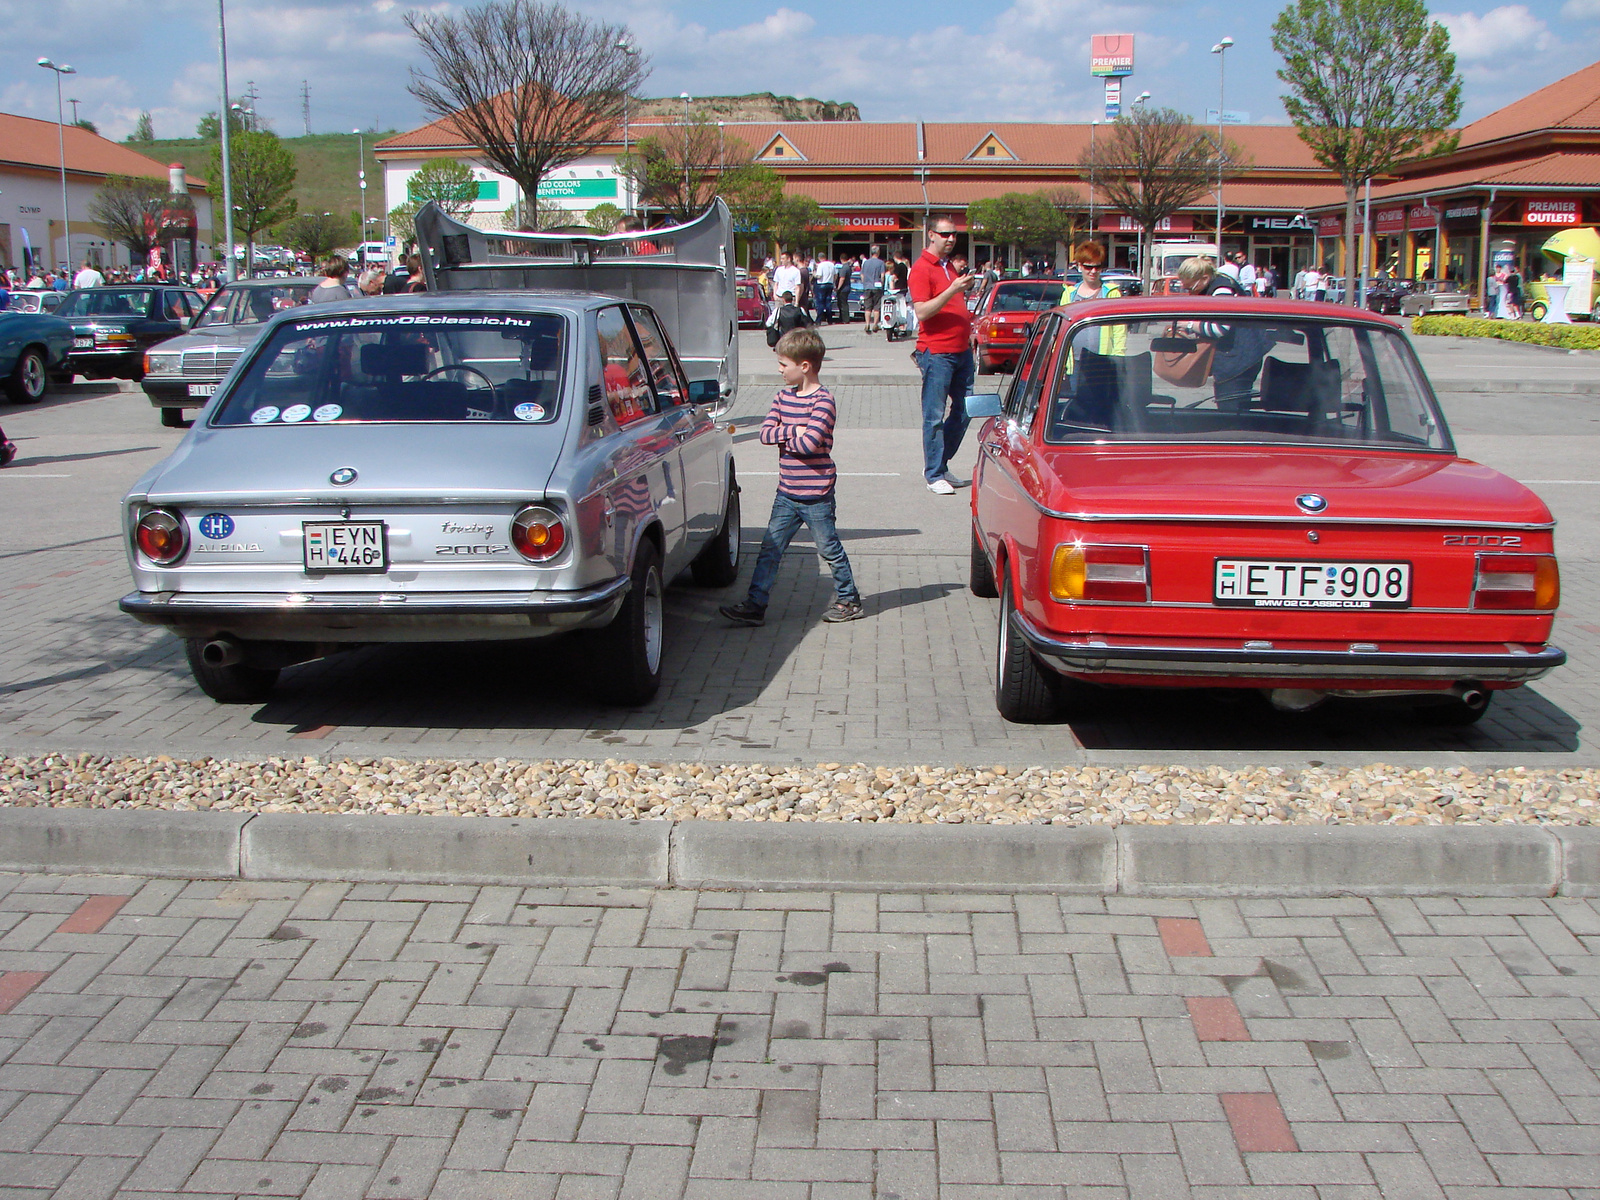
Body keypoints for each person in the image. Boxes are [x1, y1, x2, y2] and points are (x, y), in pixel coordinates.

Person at [719, 327, 864, 627]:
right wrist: (791, 431)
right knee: (770, 549)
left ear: (805, 366)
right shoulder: (783, 397)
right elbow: (764, 433)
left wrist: (788, 437)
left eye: (784, 365)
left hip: (816, 495)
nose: (780, 370)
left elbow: (810, 444)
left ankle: (849, 600)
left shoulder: (823, 401)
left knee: (829, 548)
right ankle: (755, 605)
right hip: (786, 493)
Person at [909, 218, 978, 496]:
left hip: (962, 350)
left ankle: (940, 463)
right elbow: (922, 312)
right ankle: (934, 472)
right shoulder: (921, 269)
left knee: (965, 410)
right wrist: (953, 289)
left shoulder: (948, 266)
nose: (950, 239)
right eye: (945, 234)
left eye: (954, 235)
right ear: (931, 235)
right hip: (937, 352)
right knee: (934, 415)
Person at [860, 246, 887, 333]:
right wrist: (882, 284)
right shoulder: (881, 263)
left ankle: (867, 324)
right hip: (877, 287)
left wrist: (865, 283)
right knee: (876, 307)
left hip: (867, 286)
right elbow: (882, 275)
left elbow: (862, 275)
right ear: (878, 253)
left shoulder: (866, 263)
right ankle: (875, 324)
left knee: (867, 307)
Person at [813, 251, 836, 324]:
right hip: (830, 283)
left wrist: (814, 274)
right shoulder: (831, 264)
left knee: (820, 303)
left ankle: (819, 320)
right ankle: (830, 319)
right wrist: (833, 281)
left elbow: (819, 276)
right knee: (828, 302)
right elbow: (835, 275)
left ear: (819, 258)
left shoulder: (821, 265)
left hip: (822, 284)